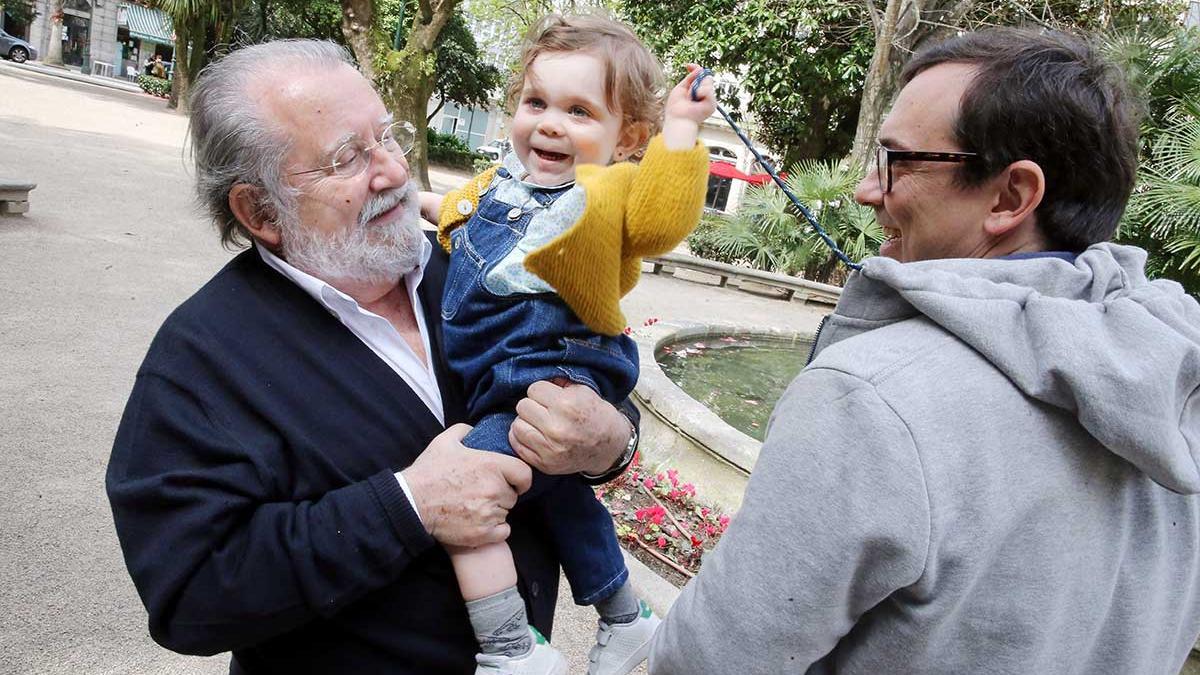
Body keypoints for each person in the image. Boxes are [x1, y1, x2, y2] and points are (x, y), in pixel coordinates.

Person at [651, 28, 1200, 674]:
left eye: (897, 161)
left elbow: (705, 661)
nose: (864, 190)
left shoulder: (872, 398)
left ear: (1011, 197)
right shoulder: (1177, 385)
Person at [105, 39, 640, 675]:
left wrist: (611, 441)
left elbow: (583, 371)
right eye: (347, 158)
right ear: (259, 210)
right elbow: (190, 596)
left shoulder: (476, 265)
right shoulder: (202, 359)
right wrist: (408, 505)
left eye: (386, 136)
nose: (391, 171)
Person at [419, 15, 714, 675]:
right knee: (561, 492)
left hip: (556, 369)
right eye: (537, 103)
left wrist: (685, 129)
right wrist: (411, 202)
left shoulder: (609, 192)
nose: (550, 123)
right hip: (504, 375)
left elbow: (665, 218)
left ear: (627, 137)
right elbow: (458, 212)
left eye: (578, 111)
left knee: (470, 490)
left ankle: (511, 647)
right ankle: (625, 617)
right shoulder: (500, 183)